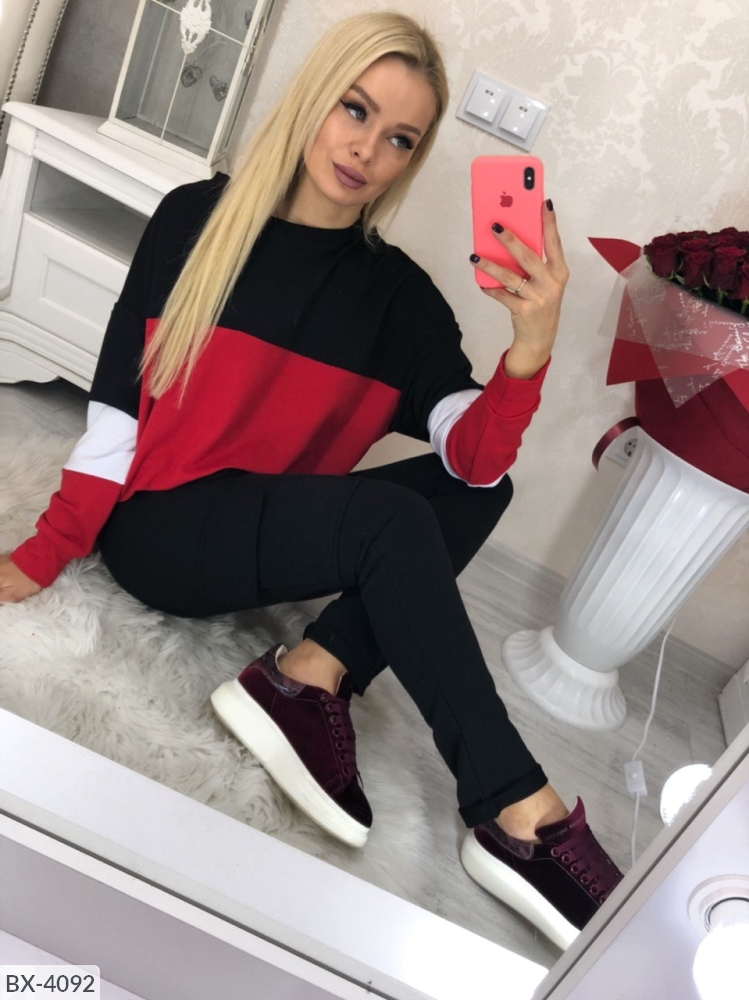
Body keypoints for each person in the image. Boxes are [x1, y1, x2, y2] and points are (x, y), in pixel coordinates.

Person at [0, 11, 623, 950]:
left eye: (400, 138)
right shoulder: (195, 220)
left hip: (256, 539)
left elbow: (474, 459)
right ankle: (514, 807)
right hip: (158, 533)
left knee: (481, 491)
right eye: (355, 110)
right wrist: (43, 554)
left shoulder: (400, 299)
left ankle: (312, 673)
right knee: (385, 522)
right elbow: (115, 413)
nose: (368, 149)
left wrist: (527, 354)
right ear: (314, 100)